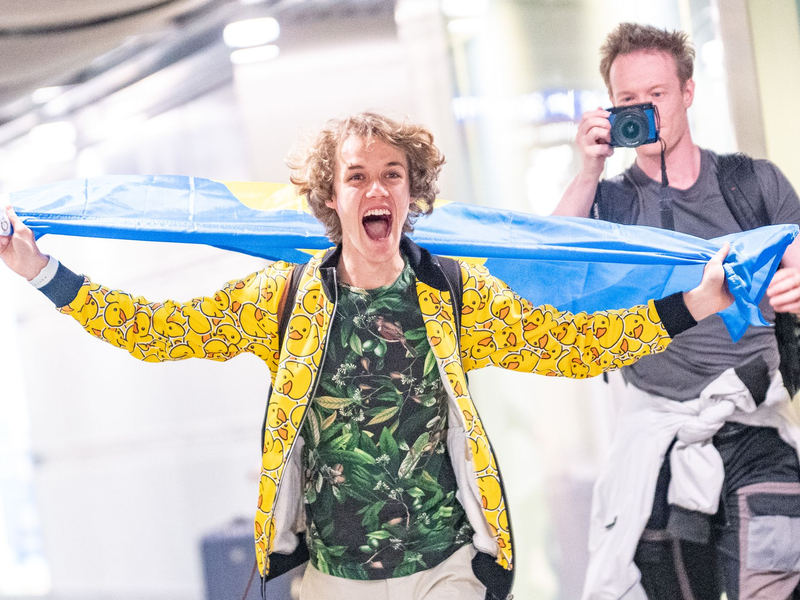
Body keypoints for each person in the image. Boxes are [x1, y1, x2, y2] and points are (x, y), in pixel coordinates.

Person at [1, 112, 732, 600]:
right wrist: (42, 272)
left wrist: (696, 302)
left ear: (412, 193)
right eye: (358, 176)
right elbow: (158, 331)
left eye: (393, 174)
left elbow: (574, 348)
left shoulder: (452, 292)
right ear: (331, 198)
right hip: (330, 578)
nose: (377, 188)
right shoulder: (283, 300)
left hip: (445, 571)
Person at [553, 23, 800, 600]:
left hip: (753, 429)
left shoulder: (751, 183)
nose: (643, 111)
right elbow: (557, 279)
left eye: (656, 95)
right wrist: (587, 168)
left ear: (688, 93)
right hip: (657, 443)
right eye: (627, 102)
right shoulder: (610, 202)